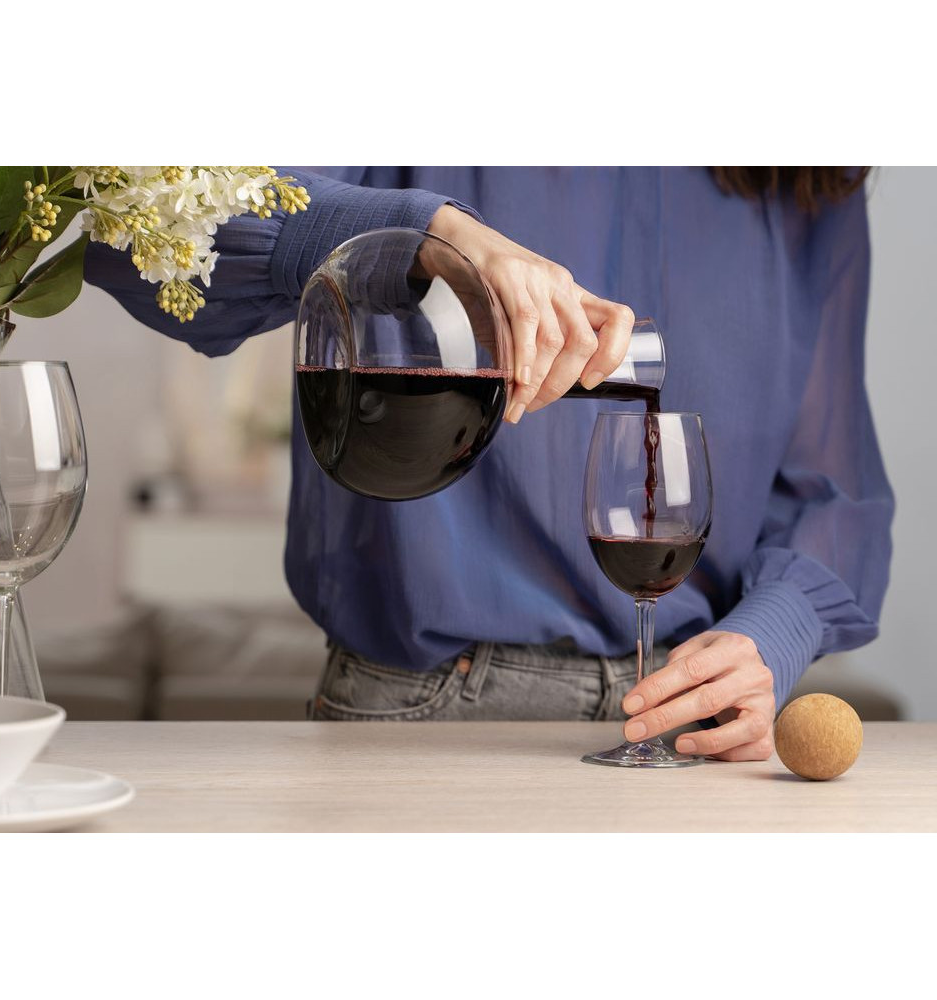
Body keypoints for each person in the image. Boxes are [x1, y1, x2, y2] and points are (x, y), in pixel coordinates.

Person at [84, 166, 894, 761]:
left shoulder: (805, 167)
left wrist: (773, 635)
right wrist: (429, 236)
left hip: (696, 731)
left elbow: (834, 489)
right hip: (430, 714)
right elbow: (132, 224)